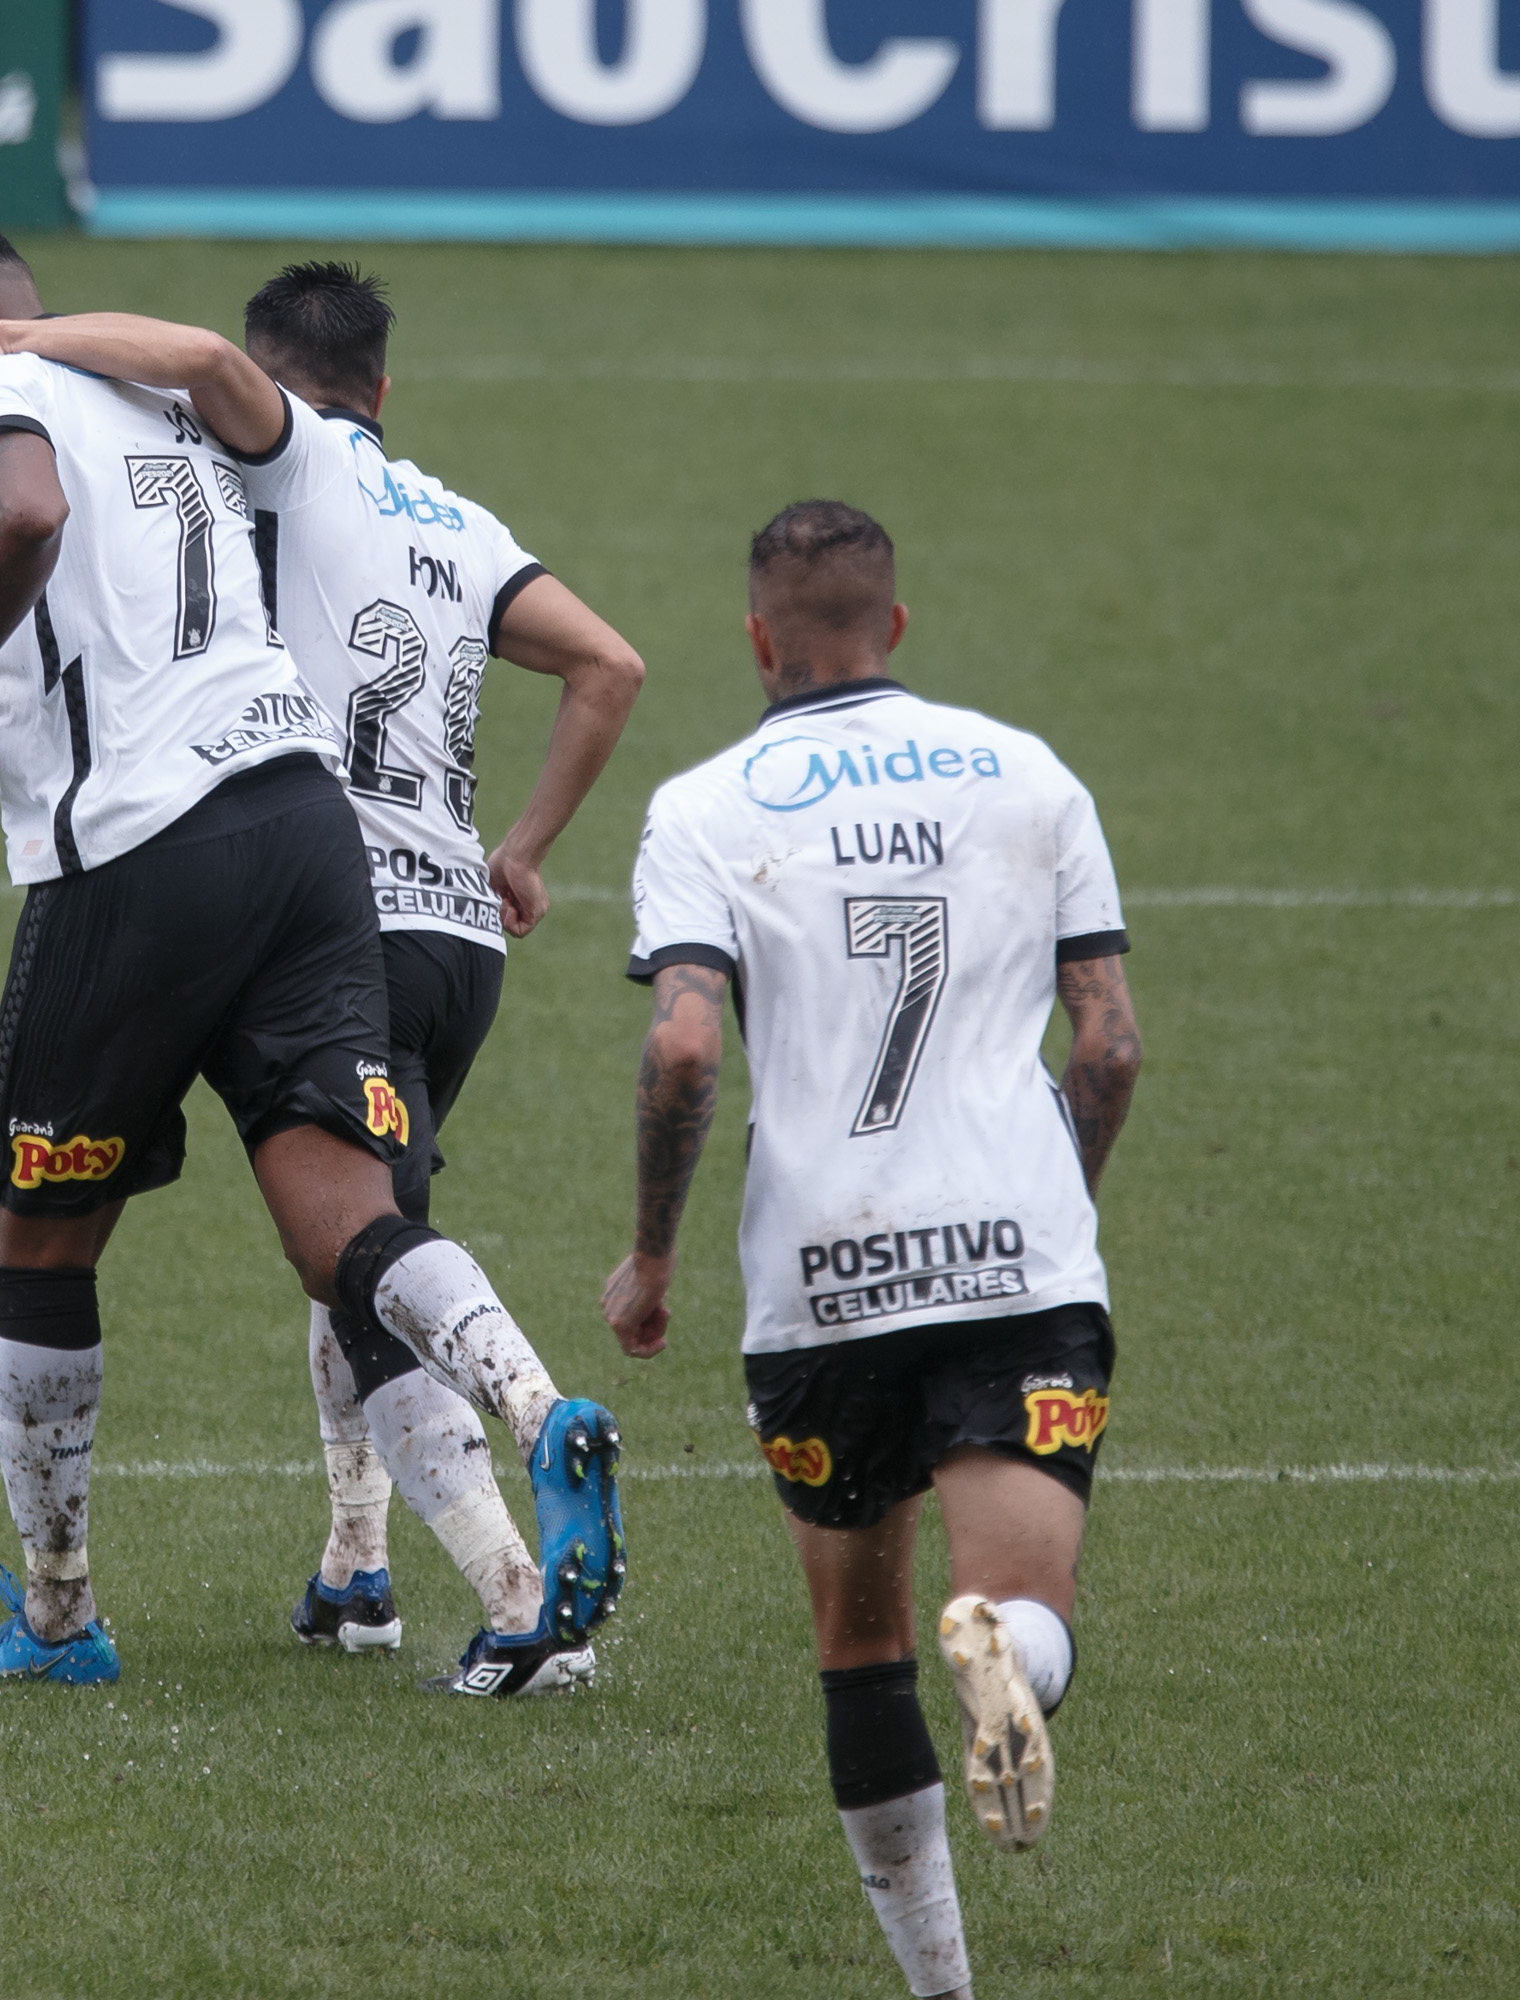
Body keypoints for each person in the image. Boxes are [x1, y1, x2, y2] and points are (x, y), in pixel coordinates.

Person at [0, 203, 626, 1694]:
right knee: (341, 1223)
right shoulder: (162, 390)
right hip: (306, 830)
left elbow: (25, 511)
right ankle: (537, 1409)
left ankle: (61, 1614)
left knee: (40, 1231)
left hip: (146, 840)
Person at [604, 502, 1142, 1998]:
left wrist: (652, 1256)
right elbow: (1107, 1042)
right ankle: (1013, 1665)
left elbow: (687, 1049)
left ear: (760, 638)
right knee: (1024, 1610)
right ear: (893, 626)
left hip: (819, 1278)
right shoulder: (1029, 773)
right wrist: (1056, 1203)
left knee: (861, 1649)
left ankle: (940, 1987)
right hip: (1016, 1260)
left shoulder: (706, 804)